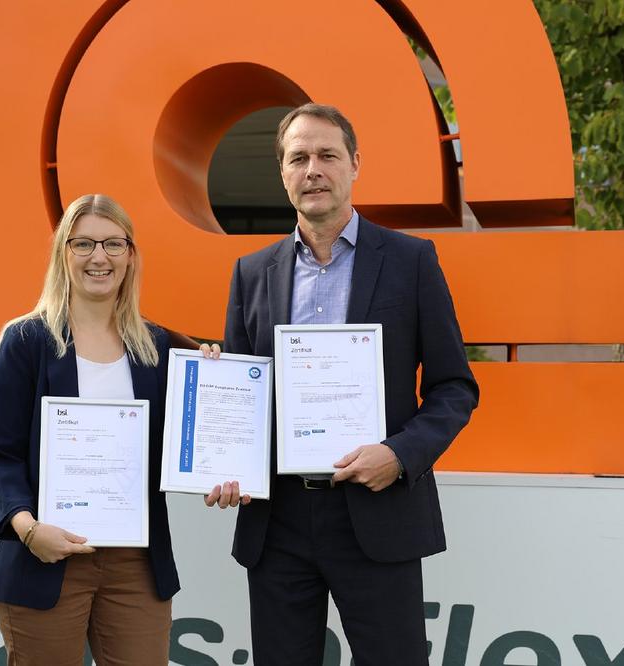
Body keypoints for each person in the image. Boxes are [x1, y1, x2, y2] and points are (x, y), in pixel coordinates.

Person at [202, 103, 479, 665]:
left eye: (327, 155)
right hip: (278, 522)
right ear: (282, 172)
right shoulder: (252, 273)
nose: (313, 170)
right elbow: (243, 399)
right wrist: (222, 453)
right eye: (298, 158)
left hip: (378, 511)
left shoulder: (411, 261)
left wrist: (399, 455)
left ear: (354, 164)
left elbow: (455, 387)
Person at [0, 194, 178, 665]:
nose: (99, 257)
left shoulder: (156, 348)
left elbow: (182, 446)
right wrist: (29, 530)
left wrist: (210, 383)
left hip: (135, 563)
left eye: (113, 243)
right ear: (62, 253)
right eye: (83, 243)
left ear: (130, 255)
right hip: (46, 555)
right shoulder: (26, 340)